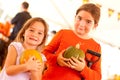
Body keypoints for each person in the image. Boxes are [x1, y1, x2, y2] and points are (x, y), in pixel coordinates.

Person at [42, 3, 101, 80]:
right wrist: (57, 60)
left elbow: (97, 77)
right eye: (79, 18)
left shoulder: (96, 47)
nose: (82, 24)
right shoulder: (63, 33)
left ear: (95, 25)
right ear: (75, 18)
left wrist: (83, 69)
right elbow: (44, 53)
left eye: (88, 22)